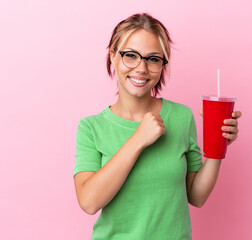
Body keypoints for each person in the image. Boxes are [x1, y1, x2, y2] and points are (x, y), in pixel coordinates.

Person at [73, 13, 242, 240]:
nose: (142, 68)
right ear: (113, 56)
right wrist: (138, 139)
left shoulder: (182, 116)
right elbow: (89, 201)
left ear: (163, 65)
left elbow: (196, 196)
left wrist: (218, 146)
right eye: (130, 56)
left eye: (153, 59)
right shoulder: (91, 127)